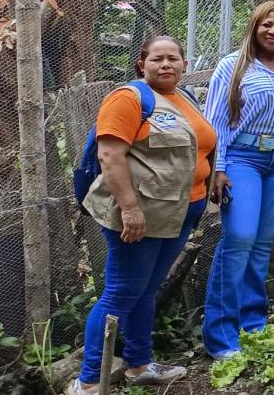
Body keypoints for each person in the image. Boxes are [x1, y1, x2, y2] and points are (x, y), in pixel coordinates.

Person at [71, 37, 215, 394]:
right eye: (157, 59)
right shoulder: (129, 98)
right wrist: (130, 208)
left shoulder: (187, 99)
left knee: (147, 290)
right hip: (141, 215)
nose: (166, 64)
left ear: (184, 64)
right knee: (120, 294)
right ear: (142, 64)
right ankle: (88, 383)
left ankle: (138, 365)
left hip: (181, 211)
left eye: (173, 58)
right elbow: (110, 156)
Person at [202, 2, 274, 359]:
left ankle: (253, 322)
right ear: (254, 27)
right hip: (242, 159)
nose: (273, 32)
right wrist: (218, 166)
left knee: (263, 243)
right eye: (267, 25)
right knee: (240, 237)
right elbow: (215, 121)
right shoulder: (233, 66)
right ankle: (220, 333)